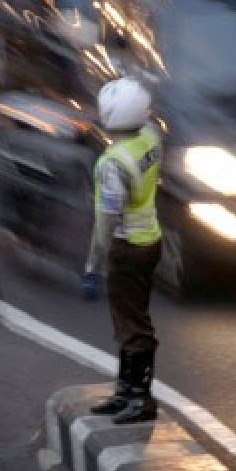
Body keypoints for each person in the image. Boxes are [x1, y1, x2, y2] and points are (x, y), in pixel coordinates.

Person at [83, 77, 163, 424]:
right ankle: (125, 391)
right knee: (130, 320)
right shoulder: (151, 140)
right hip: (151, 240)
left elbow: (107, 219)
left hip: (128, 246)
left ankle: (139, 397)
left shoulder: (112, 164)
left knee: (131, 325)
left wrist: (94, 262)